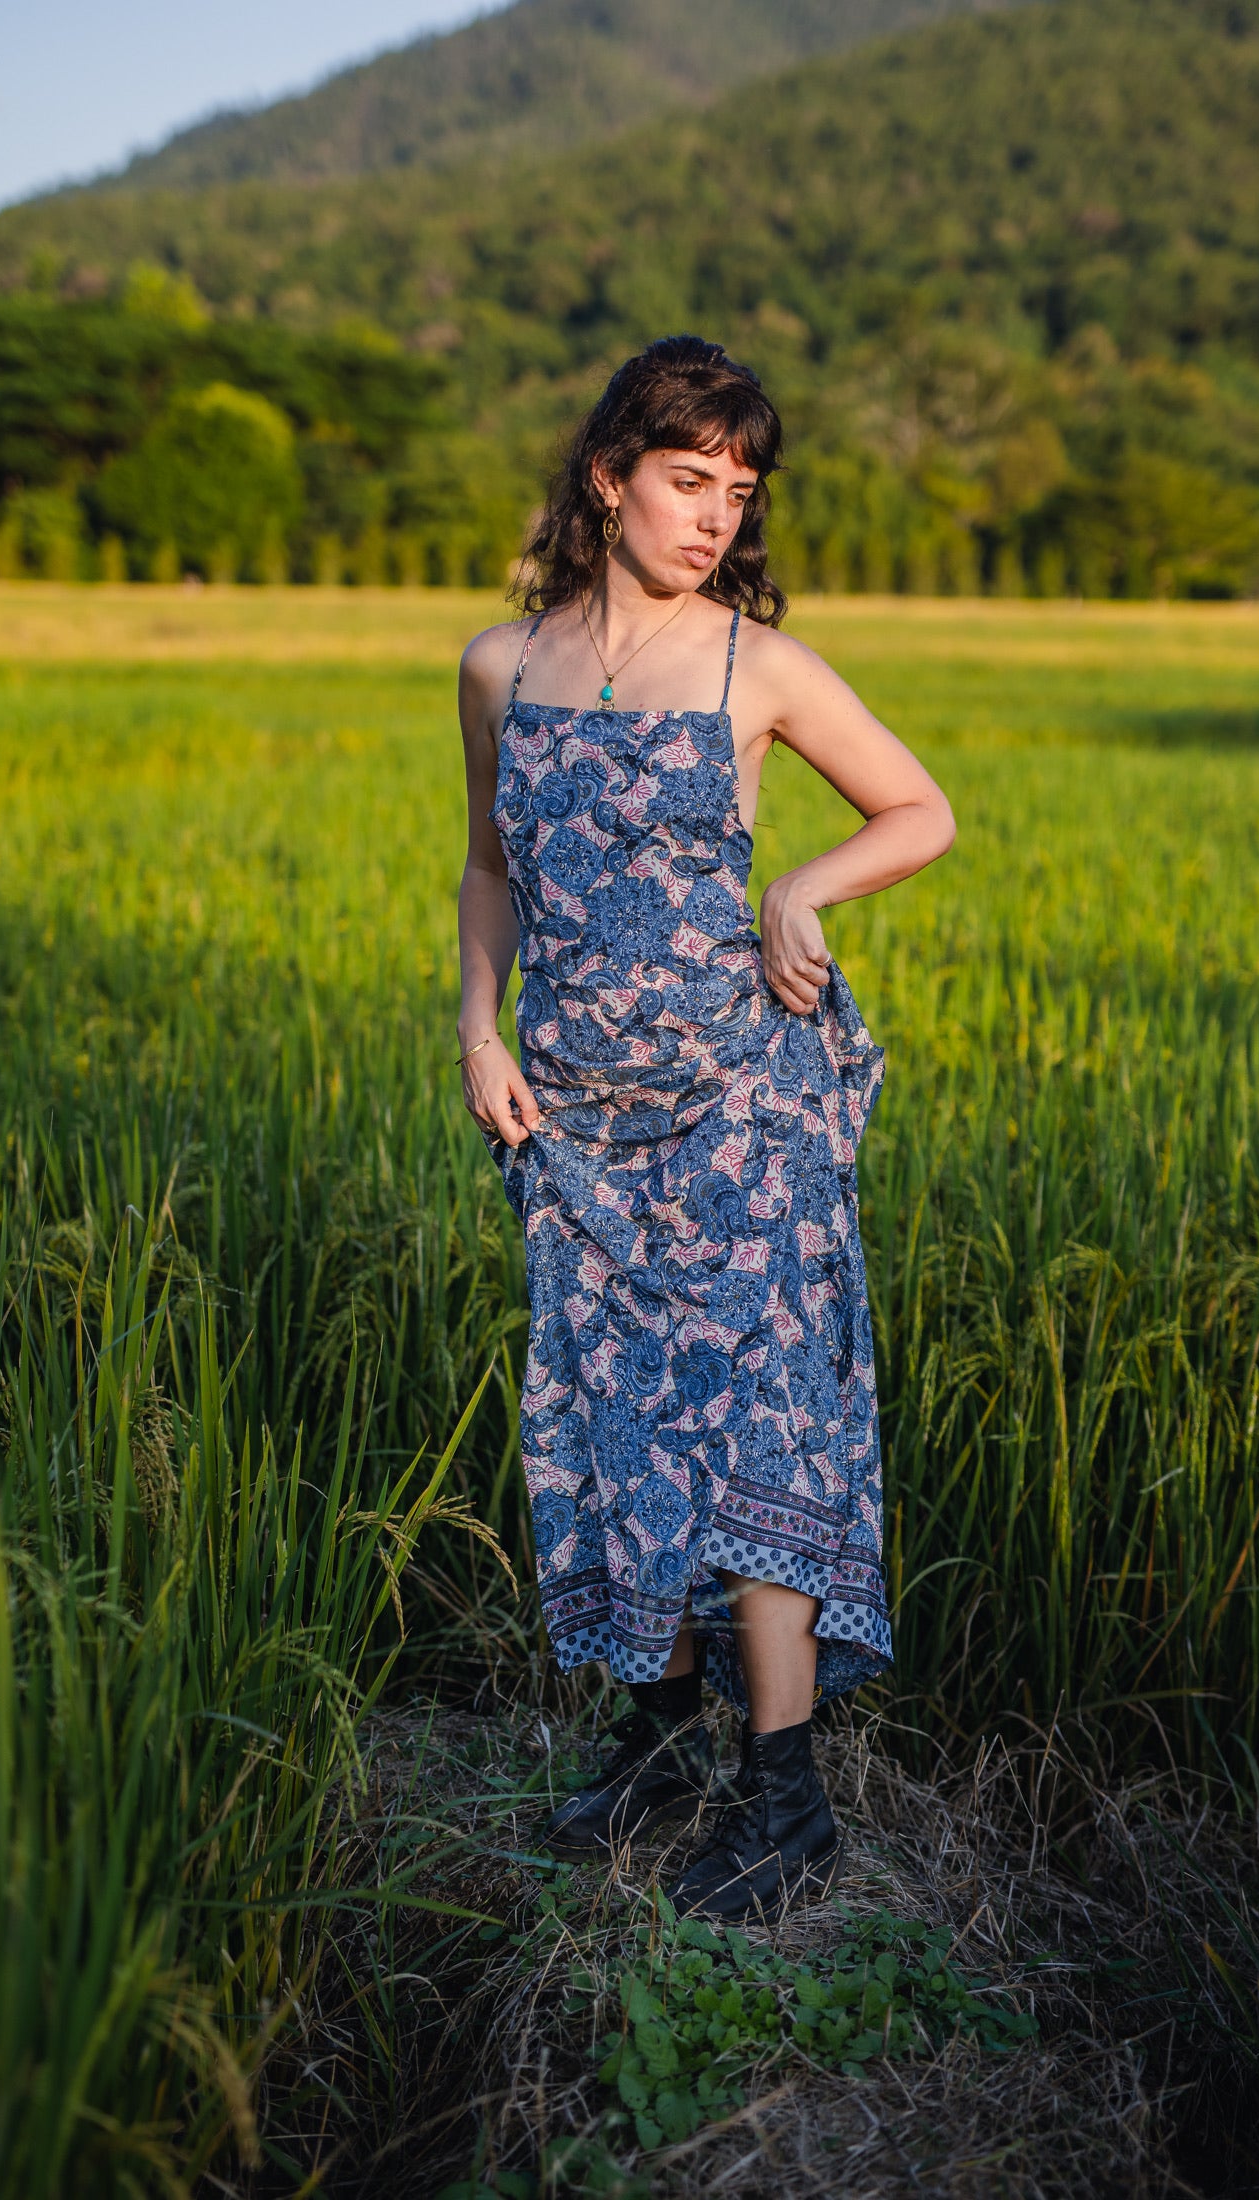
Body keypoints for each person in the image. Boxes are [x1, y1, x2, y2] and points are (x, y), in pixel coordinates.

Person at [455, 335, 955, 1921]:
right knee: (614, 1422)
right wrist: (477, 1024)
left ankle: (785, 1796)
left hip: (744, 1111)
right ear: (610, 478)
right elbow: (488, 868)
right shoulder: (500, 667)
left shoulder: (759, 668)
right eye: (688, 481)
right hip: (573, 1123)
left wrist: (802, 884)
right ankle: (661, 1743)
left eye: (739, 490)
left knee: (760, 1431)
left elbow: (922, 808)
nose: (716, 516)